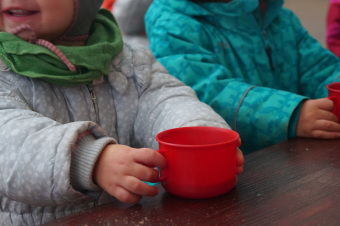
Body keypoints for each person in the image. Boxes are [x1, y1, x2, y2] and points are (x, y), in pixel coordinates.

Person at [0, 0, 244, 225]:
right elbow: (7, 137)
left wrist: (199, 136)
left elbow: (166, 100)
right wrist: (90, 159)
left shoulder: (127, 61)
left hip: (117, 216)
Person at [145, 0, 340, 153]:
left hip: (297, 156)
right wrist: (290, 114)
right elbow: (205, 92)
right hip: (235, 166)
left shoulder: (276, 16)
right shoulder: (173, 26)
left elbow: (319, 68)